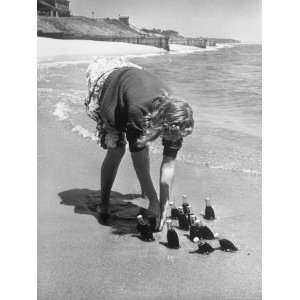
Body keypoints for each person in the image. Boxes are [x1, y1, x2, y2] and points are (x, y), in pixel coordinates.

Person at [85, 57, 194, 231]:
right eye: (171, 134)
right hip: (113, 89)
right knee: (117, 150)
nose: (174, 138)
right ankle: (104, 203)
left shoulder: (178, 118)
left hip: (137, 85)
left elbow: (168, 166)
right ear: (162, 124)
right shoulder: (139, 112)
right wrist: (154, 200)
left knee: (143, 149)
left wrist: (164, 205)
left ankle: (149, 196)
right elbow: (139, 161)